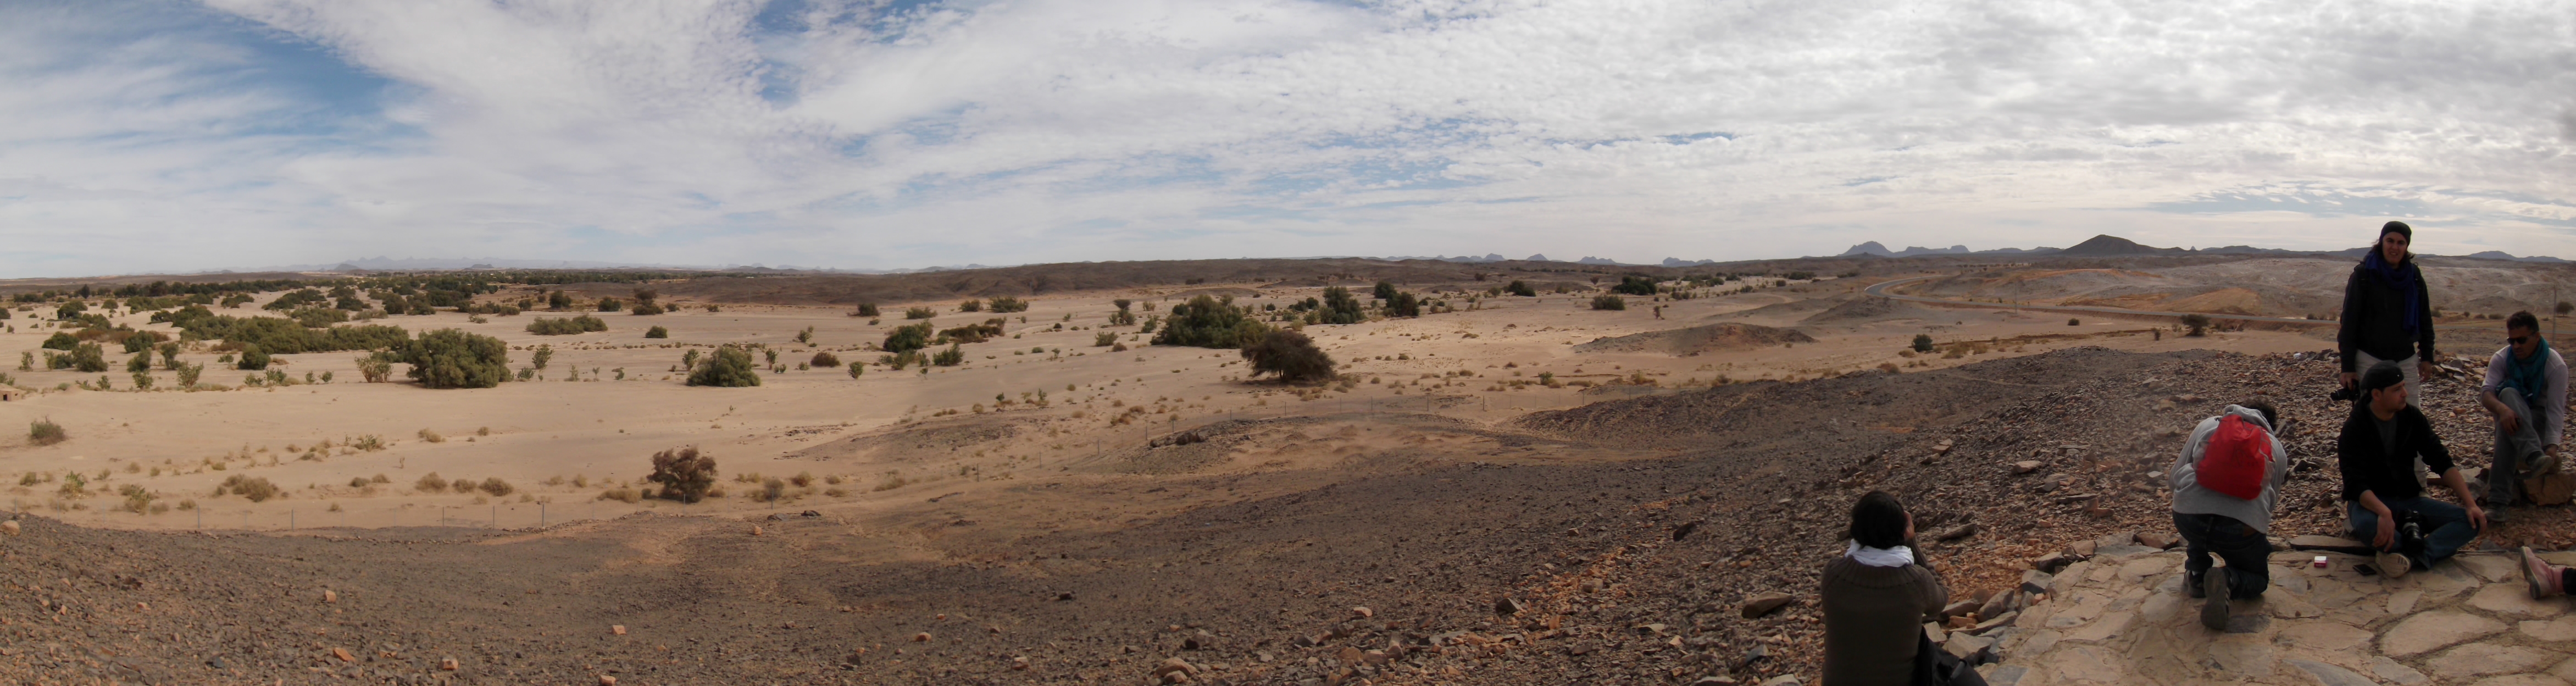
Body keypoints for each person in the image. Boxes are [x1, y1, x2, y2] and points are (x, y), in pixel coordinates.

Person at [2339, 361, 2485, 578]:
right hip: (2371, 504)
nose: (2405, 394)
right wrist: (2384, 512)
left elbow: (2441, 460)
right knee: (2372, 528)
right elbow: (2355, 485)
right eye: (2397, 390)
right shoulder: (2354, 428)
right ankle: (2420, 549)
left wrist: (2471, 504)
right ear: (2377, 395)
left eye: (2404, 387)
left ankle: (2409, 556)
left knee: (2471, 522)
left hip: (2409, 500)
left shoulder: (2412, 418)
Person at [2169, 400, 2289, 629]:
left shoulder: (2208, 425)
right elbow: (2270, 503)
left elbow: (2174, 478)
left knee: (2200, 512)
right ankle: (2229, 579)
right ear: (2269, 425)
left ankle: (2197, 573)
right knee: (2259, 578)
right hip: (2238, 530)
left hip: (2188, 518)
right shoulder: (2274, 445)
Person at [1820, 491, 1953, 686]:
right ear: (1901, 531)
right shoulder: (1916, 582)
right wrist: (1911, 543)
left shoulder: (1833, 574)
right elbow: (1940, 601)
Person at [2479, 311, 2566, 522]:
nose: (2516, 346)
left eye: (2522, 340)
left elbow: (2555, 410)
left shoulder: (2555, 365)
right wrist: (2503, 410)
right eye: (2512, 341)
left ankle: (2498, 504)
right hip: (2512, 419)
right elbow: (2486, 394)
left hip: (2539, 423)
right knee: (2508, 395)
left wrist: (2552, 447)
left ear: (2536, 336)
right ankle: (2534, 457)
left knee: (2509, 425)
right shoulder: (2502, 358)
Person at [2339, 221, 2438, 406]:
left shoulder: (2414, 276)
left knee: (2410, 419)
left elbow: (2424, 318)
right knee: (2370, 419)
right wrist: (2348, 367)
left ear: (2407, 246)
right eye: (2390, 241)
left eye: (2401, 243)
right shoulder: (2364, 275)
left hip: (2406, 359)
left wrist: (2427, 356)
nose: (2395, 247)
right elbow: (2349, 324)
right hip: (2369, 358)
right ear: (2381, 242)